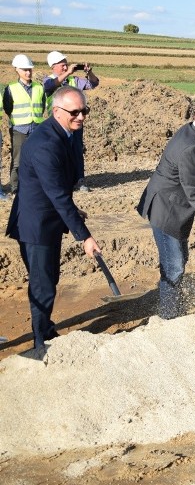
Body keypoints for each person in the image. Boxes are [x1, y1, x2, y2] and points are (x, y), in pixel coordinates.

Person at [5, 86, 101, 359]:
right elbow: (57, 195)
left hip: (49, 218)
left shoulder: (63, 133)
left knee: (49, 279)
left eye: (85, 110)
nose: (81, 116)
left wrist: (73, 211)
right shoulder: (46, 144)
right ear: (57, 111)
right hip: (36, 225)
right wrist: (85, 237)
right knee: (42, 285)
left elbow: (58, 189)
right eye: (75, 112)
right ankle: (40, 344)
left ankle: (45, 329)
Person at [137, 100, 195, 319]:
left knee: (177, 259)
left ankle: (173, 301)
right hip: (167, 210)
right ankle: (169, 317)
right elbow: (194, 194)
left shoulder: (194, 133)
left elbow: (188, 176)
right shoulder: (192, 146)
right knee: (174, 266)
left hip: (172, 203)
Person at [43, 51, 99, 192]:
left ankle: (79, 180)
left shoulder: (73, 80)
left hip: (75, 123)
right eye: (62, 65)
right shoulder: (48, 80)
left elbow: (93, 83)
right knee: (58, 151)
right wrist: (67, 73)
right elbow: (50, 87)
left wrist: (89, 73)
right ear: (53, 66)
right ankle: (61, 181)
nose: (65, 67)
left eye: (66, 65)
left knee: (76, 151)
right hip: (58, 124)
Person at [3, 55, 46, 196]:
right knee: (18, 161)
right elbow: (7, 108)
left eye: (30, 70)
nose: (28, 72)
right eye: (25, 70)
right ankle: (15, 187)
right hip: (19, 129)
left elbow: (42, 106)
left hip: (36, 128)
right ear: (17, 70)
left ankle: (34, 186)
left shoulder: (39, 87)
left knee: (36, 159)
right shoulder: (11, 88)